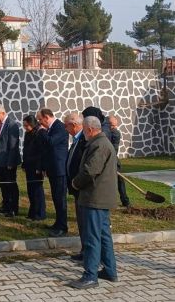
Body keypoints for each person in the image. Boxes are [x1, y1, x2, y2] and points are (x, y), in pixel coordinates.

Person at [69, 116, 118, 289]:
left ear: (90, 129)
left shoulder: (99, 145)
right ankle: (110, 271)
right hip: (100, 198)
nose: (82, 132)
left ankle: (90, 275)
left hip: (94, 198)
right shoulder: (100, 143)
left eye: (83, 129)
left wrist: (75, 183)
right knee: (104, 236)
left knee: (92, 238)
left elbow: (90, 171)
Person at [36, 108, 69, 237]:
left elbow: (51, 142)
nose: (39, 122)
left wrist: (43, 131)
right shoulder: (50, 128)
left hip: (59, 169)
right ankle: (58, 222)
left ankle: (63, 226)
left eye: (40, 119)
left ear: (46, 117)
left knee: (60, 199)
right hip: (52, 168)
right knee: (56, 198)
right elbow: (46, 149)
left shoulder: (59, 127)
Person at [64, 112, 87, 261]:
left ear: (74, 125)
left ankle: (89, 254)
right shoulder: (76, 139)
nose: (65, 129)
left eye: (66, 126)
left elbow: (86, 167)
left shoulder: (84, 140)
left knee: (86, 223)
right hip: (76, 188)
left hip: (83, 188)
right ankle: (85, 250)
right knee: (81, 222)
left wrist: (76, 182)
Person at [0, 104, 21, 217]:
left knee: (11, 185)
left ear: (3, 113)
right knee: (3, 185)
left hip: (8, 162)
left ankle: (13, 209)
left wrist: (10, 163)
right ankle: (5, 206)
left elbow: (13, 146)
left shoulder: (11, 125)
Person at [21, 115, 46, 221]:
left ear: (32, 124)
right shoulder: (28, 134)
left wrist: (39, 167)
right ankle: (32, 212)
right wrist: (24, 163)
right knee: (30, 190)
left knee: (37, 191)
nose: (25, 127)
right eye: (24, 126)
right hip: (29, 166)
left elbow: (42, 152)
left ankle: (39, 213)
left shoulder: (39, 133)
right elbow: (26, 150)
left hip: (36, 167)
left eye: (27, 125)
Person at [108, 115, 130, 207]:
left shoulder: (115, 133)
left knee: (120, 181)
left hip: (113, 160)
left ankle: (125, 201)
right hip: (103, 160)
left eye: (115, 125)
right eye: (112, 125)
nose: (114, 128)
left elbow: (114, 150)